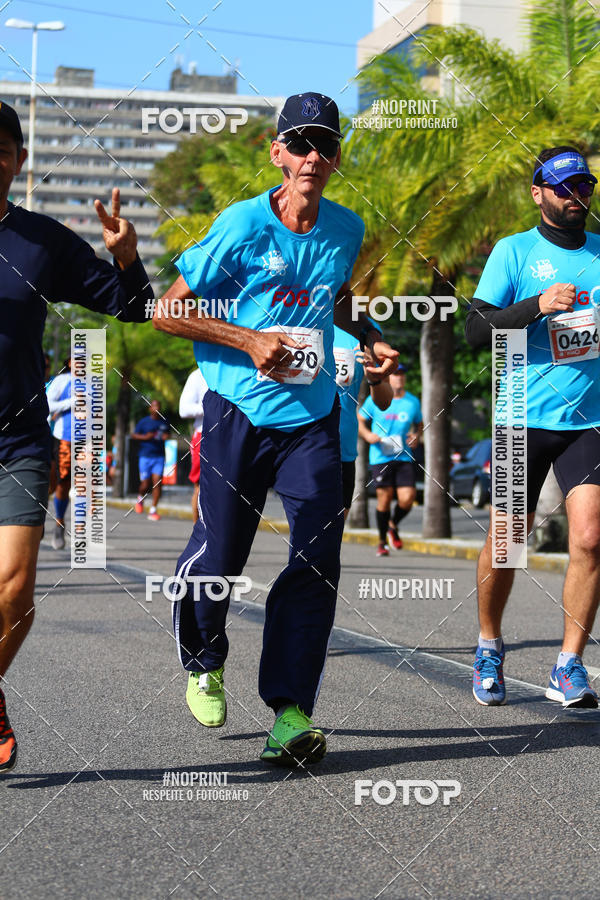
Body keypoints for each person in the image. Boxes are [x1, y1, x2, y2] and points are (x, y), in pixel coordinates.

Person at [153, 92, 398, 766]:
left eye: (325, 145)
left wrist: (368, 334)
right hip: (238, 407)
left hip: (313, 415)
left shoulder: (345, 228)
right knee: (223, 550)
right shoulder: (240, 226)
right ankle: (204, 659)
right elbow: (166, 313)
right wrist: (246, 339)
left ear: (337, 158)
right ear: (277, 152)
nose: (312, 156)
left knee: (317, 558)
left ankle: (289, 713)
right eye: (300, 143)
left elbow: (334, 295)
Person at [0, 100, 153, 773]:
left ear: (19, 162)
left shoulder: (40, 241)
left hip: (19, 440)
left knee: (15, 588)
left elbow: (131, 307)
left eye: (1, 150)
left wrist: (128, 260)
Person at [465, 145, 600, 708]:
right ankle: (489, 644)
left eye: (584, 187)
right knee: (509, 542)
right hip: (522, 418)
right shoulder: (514, 251)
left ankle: (569, 664)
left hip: (589, 418)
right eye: (564, 188)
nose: (577, 198)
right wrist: (538, 305)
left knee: (592, 538)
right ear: (538, 193)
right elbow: (476, 330)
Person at [357, 364, 423, 556]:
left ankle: (392, 524)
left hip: (403, 456)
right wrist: (368, 435)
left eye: (402, 374)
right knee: (384, 499)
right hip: (380, 456)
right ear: (388, 378)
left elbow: (419, 424)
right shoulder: (376, 399)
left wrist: (417, 436)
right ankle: (382, 542)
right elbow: (360, 420)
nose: (399, 378)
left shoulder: (412, 402)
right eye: (395, 374)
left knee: (408, 498)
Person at [333, 325, 392, 517]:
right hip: (294, 442)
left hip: (341, 450)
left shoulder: (365, 330)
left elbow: (384, 402)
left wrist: (374, 378)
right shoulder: (298, 313)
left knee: (331, 535)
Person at [46, 357, 73, 550]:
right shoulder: (62, 381)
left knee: (70, 484)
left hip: (86, 441)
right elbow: (48, 406)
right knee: (54, 483)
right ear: (70, 362)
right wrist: (72, 402)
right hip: (62, 438)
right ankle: (40, 520)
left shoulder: (93, 384)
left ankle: (60, 524)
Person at [178, 367, 209, 522]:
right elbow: (184, 410)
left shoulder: (237, 369)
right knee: (200, 487)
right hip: (203, 435)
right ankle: (198, 532)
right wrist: (213, 408)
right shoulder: (198, 375)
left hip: (232, 435)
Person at [131, 400, 169, 521]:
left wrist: (166, 437)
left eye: (158, 405)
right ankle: (140, 498)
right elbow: (134, 435)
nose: (156, 408)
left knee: (157, 482)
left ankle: (153, 510)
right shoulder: (144, 422)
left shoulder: (164, 422)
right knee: (145, 484)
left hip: (159, 456)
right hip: (145, 456)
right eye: (154, 406)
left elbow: (168, 434)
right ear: (150, 408)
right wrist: (145, 437)